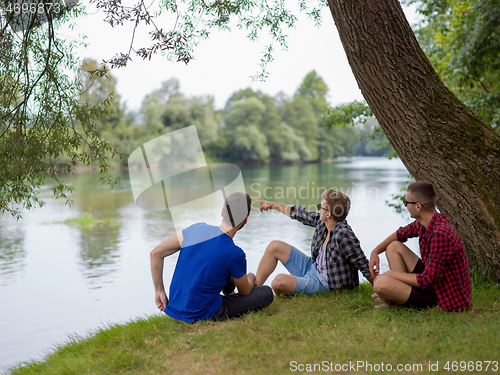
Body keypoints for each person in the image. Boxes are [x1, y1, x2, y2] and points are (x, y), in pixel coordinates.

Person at [150, 192, 274, 323]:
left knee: (224, 264)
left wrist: (159, 291)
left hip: (174, 308)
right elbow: (245, 291)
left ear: (222, 212)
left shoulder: (195, 229)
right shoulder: (235, 253)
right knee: (266, 293)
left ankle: (226, 294)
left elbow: (155, 254)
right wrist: (251, 277)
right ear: (245, 220)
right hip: (204, 313)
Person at [370, 181, 471, 311]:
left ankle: (398, 300)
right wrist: (375, 252)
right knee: (393, 246)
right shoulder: (426, 222)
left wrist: (391, 275)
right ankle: (397, 298)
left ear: (418, 206)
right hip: (433, 285)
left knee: (381, 285)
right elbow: (399, 234)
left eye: (406, 202)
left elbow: (427, 280)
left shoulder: (441, 234)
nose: (405, 206)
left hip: (443, 297)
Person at [254, 189, 374, 296]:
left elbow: (362, 264)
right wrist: (272, 205)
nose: (318, 209)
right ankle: (254, 291)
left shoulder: (344, 235)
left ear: (328, 214)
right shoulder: (323, 223)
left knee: (278, 282)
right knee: (275, 246)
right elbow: (299, 213)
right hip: (313, 268)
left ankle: (290, 293)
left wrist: (380, 290)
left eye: (320, 207)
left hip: (326, 284)